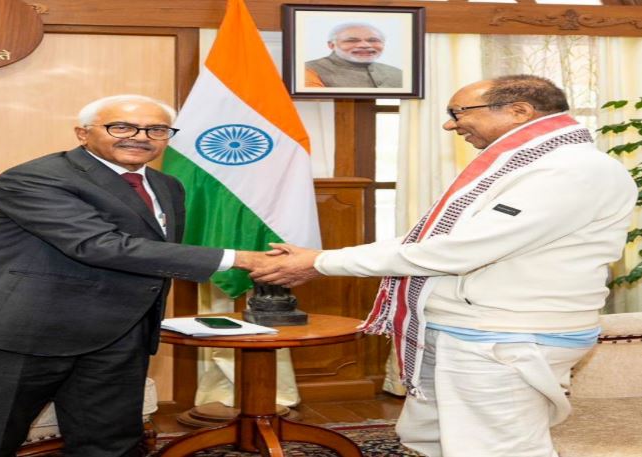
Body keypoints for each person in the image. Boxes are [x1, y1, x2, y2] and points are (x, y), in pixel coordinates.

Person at [250, 75, 637, 457]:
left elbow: (462, 249)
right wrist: (322, 259)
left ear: (519, 111)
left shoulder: (571, 170)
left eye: (459, 112)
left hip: (506, 336)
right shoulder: (519, 165)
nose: (450, 125)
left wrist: (322, 263)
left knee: (495, 449)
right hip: (462, 329)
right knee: (429, 438)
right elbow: (426, 242)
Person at [0, 94, 264, 457]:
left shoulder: (167, 185)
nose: (140, 137)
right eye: (121, 127)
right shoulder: (35, 177)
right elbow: (98, 245)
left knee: (111, 446)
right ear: (83, 133)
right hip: (19, 331)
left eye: (156, 129)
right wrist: (240, 259)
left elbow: (152, 256)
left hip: (118, 334)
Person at [305, 22, 402, 88]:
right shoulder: (308, 70)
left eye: (373, 40)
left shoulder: (397, 73)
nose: (365, 45)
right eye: (352, 41)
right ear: (332, 45)